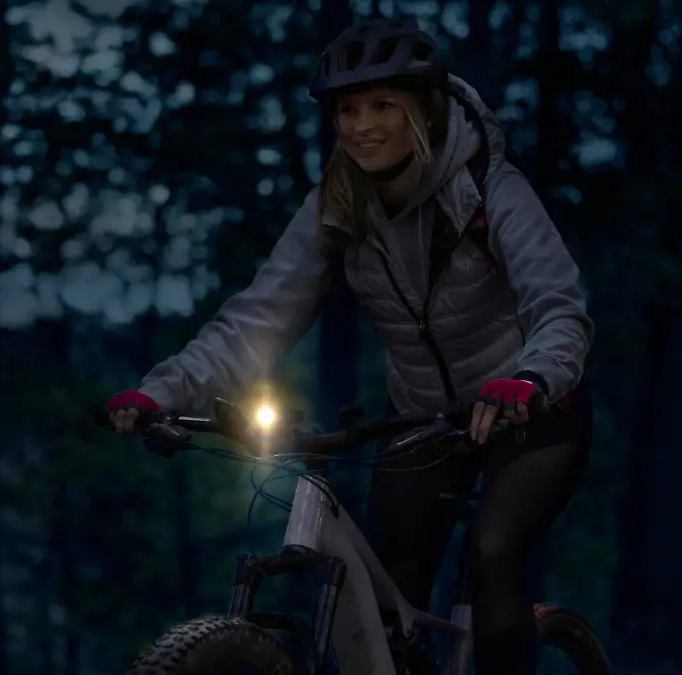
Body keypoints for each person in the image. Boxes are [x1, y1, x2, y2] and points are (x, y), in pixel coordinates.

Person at [106, 18, 594, 675]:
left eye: (382, 106)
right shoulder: (337, 206)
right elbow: (257, 319)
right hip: (424, 423)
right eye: (347, 110)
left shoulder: (491, 192)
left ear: (424, 108)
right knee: (388, 591)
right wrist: (160, 390)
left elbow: (558, 305)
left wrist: (531, 378)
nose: (362, 125)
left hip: (531, 412)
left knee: (492, 551)